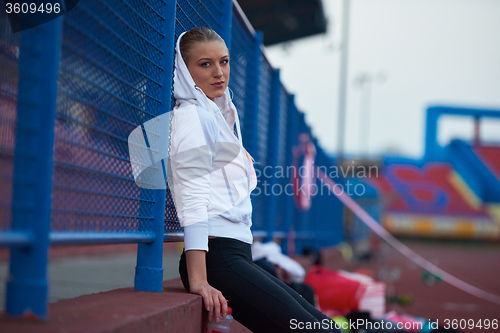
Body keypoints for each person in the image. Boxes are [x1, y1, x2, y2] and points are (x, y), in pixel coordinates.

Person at [169, 27, 339, 333]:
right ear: (184, 70)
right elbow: (192, 202)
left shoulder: (217, 118)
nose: (219, 72)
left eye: (224, 61)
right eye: (205, 64)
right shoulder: (192, 118)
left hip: (238, 255)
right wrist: (199, 280)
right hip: (217, 259)